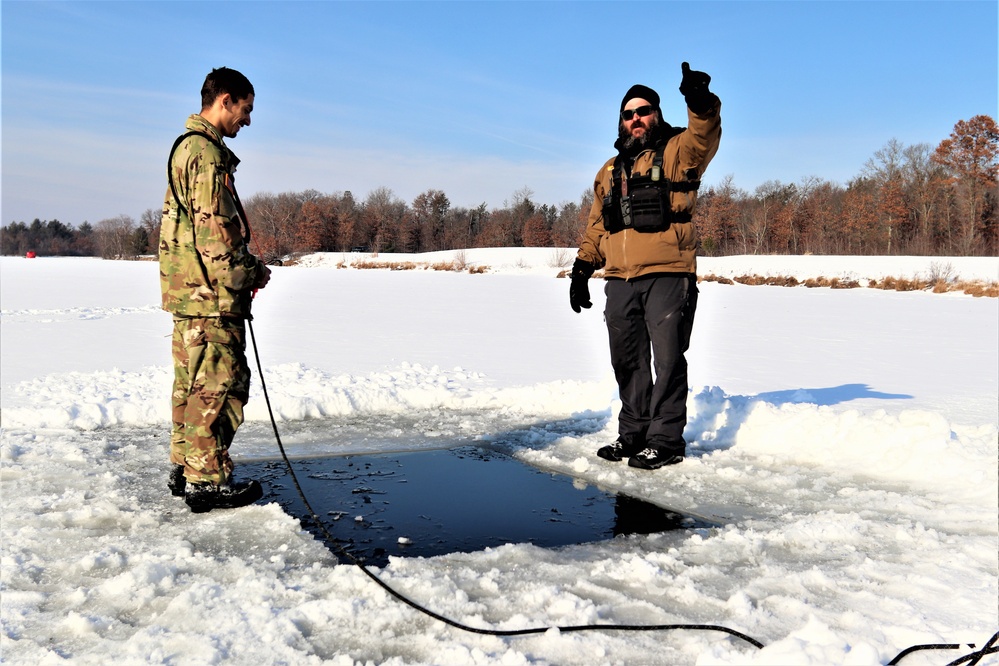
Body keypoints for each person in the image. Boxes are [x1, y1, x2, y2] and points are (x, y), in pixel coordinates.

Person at [570, 63, 721, 470]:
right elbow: (597, 224)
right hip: (619, 279)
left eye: (643, 111)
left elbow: (704, 137)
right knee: (628, 361)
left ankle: (665, 440)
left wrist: (700, 102)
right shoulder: (608, 170)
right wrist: (582, 269)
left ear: (657, 113)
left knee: (668, 358)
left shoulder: (676, 152)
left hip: (668, 273)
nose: (636, 119)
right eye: (628, 113)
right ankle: (632, 433)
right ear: (621, 121)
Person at [159, 67, 271, 512]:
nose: (247, 120)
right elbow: (216, 238)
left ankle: (187, 465)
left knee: (191, 383)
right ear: (225, 100)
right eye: (245, 109)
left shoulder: (188, 149)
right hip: (210, 297)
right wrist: (251, 273)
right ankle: (206, 482)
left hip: (191, 295)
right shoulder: (205, 155)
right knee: (220, 384)